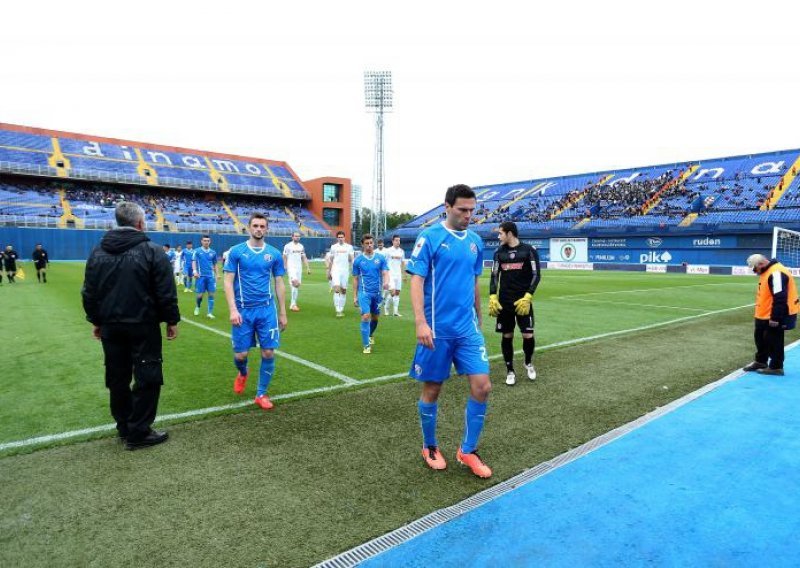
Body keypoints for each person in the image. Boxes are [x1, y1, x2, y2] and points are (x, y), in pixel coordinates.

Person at [407, 184, 493, 479]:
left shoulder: (475, 242)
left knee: (482, 386)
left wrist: (479, 319)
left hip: (467, 329)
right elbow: (416, 281)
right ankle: (429, 446)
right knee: (433, 389)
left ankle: (467, 450)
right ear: (447, 206)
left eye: (472, 210)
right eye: (463, 210)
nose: (469, 215)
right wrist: (420, 322)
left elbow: (474, 282)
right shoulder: (429, 237)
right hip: (437, 330)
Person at [81, 202, 179, 450]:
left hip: (111, 326)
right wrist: (171, 320)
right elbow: (165, 292)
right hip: (142, 324)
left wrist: (96, 320)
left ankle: (125, 427)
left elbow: (88, 292)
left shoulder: (97, 252)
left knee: (117, 376)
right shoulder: (153, 251)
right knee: (148, 375)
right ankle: (138, 432)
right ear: (140, 223)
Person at [223, 213, 288, 410]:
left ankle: (261, 394)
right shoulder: (236, 252)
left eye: (262, 226)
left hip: (266, 310)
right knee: (241, 356)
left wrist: (283, 312)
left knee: (268, 352)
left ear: (267, 229)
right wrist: (233, 310)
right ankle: (243, 373)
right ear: (249, 228)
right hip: (243, 311)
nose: (259, 229)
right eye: (255, 226)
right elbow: (227, 281)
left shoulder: (274, 254)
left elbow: (279, 282)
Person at [488, 221, 542, 386]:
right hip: (505, 302)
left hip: (523, 301)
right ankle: (510, 371)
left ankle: (528, 362)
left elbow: (536, 274)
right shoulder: (498, 252)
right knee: (507, 335)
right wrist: (492, 296)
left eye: (501, 233)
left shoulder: (529, 250)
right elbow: (494, 275)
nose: (499, 237)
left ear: (509, 233)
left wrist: (528, 296)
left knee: (528, 335)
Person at [743, 254, 799, 376]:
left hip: (773, 315)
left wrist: (775, 317)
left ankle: (776, 367)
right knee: (760, 338)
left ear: (761, 264)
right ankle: (761, 361)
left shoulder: (776, 272)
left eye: (754, 269)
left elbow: (780, 297)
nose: (754, 272)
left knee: (774, 341)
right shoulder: (768, 271)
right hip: (763, 314)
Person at [352, 234, 389, 354]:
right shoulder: (358, 260)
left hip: (377, 293)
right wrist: (355, 296)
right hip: (364, 293)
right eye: (367, 243)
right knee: (366, 316)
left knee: (375, 317)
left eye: (371, 243)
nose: (369, 245)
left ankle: (370, 334)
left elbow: (385, 273)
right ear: (362, 245)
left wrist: (386, 282)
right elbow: (355, 279)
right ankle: (366, 345)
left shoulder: (381, 258)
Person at [327, 231, 354, 317]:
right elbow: (331, 260)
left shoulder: (349, 247)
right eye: (339, 237)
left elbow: (351, 259)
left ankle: (341, 307)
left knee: (343, 290)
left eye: (342, 237)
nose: (341, 238)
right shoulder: (333, 247)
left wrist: (353, 266)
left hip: (345, 270)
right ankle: (337, 308)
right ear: (337, 238)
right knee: (337, 288)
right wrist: (329, 271)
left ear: (344, 238)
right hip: (336, 270)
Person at [283, 231, 311, 312]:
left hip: (299, 268)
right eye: (295, 236)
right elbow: (284, 256)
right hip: (291, 267)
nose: (297, 237)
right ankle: (293, 304)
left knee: (295, 287)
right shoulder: (288, 246)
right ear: (292, 237)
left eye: (298, 236)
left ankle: (293, 303)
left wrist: (307, 268)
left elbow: (304, 257)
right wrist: (284, 266)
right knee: (295, 284)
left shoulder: (301, 246)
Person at [192, 235, 218, 318]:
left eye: (208, 241)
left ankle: (209, 313)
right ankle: (197, 307)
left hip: (210, 277)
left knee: (211, 294)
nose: (206, 242)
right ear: (201, 241)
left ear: (210, 242)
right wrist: (195, 271)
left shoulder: (213, 252)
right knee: (199, 295)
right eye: (204, 240)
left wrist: (217, 274)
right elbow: (194, 261)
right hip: (201, 277)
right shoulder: (197, 251)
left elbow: (215, 264)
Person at [384, 235, 408, 317]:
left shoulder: (401, 251)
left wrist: (404, 275)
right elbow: (384, 263)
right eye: (396, 240)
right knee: (393, 292)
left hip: (398, 274)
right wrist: (384, 273)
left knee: (397, 293)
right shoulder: (388, 251)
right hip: (390, 274)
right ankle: (386, 307)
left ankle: (395, 312)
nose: (398, 242)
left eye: (399, 240)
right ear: (393, 241)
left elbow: (403, 263)